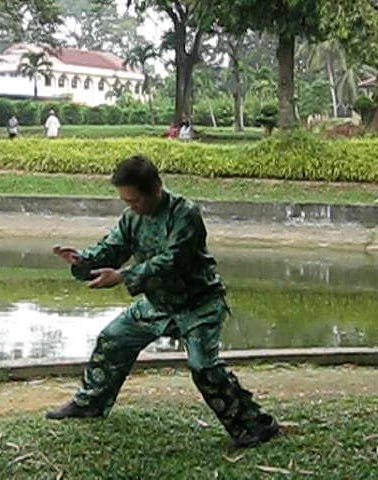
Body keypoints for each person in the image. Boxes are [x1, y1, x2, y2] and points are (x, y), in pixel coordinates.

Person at [47, 155, 279, 449]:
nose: (131, 207)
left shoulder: (185, 214)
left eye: (136, 200)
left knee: (204, 366)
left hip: (199, 304)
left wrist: (122, 276)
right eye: (126, 201)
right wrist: (83, 261)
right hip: (158, 305)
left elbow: (172, 261)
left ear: (156, 188)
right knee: (113, 339)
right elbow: (112, 247)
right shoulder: (132, 217)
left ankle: (256, 424)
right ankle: (90, 403)